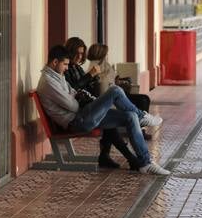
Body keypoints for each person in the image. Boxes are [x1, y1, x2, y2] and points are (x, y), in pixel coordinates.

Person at [37, 45, 169, 176]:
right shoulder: (48, 82)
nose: (66, 68)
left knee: (130, 115)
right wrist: (77, 98)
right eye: (65, 64)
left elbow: (73, 92)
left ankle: (145, 164)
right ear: (55, 62)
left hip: (82, 115)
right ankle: (143, 117)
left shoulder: (57, 76)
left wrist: (76, 96)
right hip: (77, 121)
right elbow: (73, 106)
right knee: (115, 90)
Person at [65, 36, 139, 170]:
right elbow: (73, 88)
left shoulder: (77, 68)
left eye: (82, 53)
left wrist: (95, 80)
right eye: (77, 53)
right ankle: (129, 155)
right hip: (80, 113)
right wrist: (90, 76)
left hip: (87, 106)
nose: (79, 56)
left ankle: (113, 156)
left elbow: (85, 86)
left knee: (113, 114)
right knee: (112, 107)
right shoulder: (66, 69)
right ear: (70, 52)